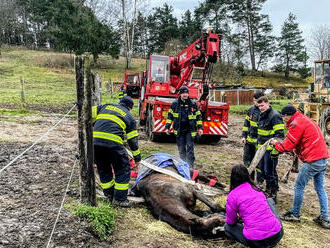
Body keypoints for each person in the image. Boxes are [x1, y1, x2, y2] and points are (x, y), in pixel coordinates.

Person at [270, 104, 330, 229]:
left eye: (283, 116)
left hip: (313, 160)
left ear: (287, 115)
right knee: (320, 188)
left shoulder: (296, 124)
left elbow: (286, 146)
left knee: (298, 186)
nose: (282, 119)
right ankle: (325, 218)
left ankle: (295, 213)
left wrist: (275, 144)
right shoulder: (303, 119)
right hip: (322, 158)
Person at [92, 96, 141, 207]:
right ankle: (119, 199)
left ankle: (109, 194)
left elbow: (87, 112)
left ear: (120, 103)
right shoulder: (130, 117)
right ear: (130, 108)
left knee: (103, 168)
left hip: (95, 144)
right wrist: (137, 159)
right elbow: (133, 141)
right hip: (113, 145)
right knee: (123, 169)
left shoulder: (105, 106)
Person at [225, 164, 284, 248]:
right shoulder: (256, 188)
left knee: (227, 227)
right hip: (277, 235)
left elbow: (230, 221)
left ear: (232, 178)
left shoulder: (232, 195)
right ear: (247, 175)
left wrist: (240, 218)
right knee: (269, 201)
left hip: (257, 242)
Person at [255, 96, 285, 202]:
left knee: (270, 172)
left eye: (262, 105)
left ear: (268, 103)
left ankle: (272, 193)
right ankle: (269, 190)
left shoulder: (275, 116)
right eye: (259, 106)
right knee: (263, 171)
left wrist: (274, 149)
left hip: (271, 150)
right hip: (262, 149)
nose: (261, 108)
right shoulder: (261, 114)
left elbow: (280, 136)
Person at [165, 86, 203, 167]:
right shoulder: (175, 104)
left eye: (186, 93)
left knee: (190, 148)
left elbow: (198, 117)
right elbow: (169, 117)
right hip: (179, 130)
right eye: (183, 93)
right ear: (180, 94)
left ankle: (190, 166)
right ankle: (183, 165)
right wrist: (167, 127)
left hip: (190, 130)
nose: (185, 95)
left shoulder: (193, 104)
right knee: (181, 149)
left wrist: (200, 128)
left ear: (188, 94)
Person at [241, 91, 265, 167]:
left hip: (259, 143)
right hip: (249, 142)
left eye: (255, 100)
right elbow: (246, 124)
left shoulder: (265, 111)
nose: (253, 102)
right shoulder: (251, 110)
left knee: (258, 164)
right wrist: (244, 136)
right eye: (254, 100)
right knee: (247, 161)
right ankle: (249, 177)